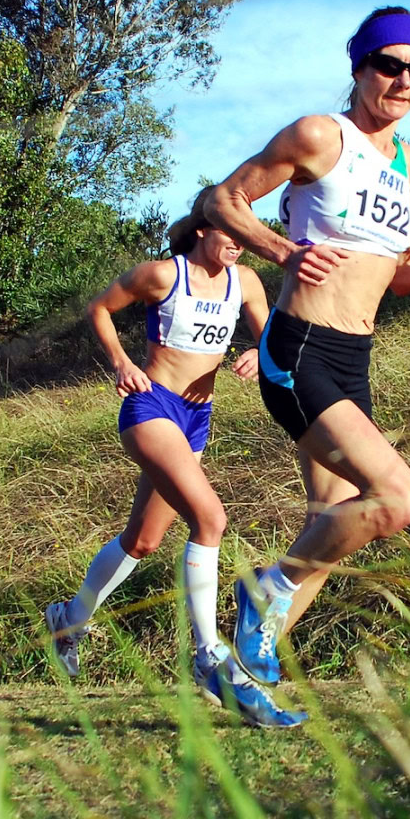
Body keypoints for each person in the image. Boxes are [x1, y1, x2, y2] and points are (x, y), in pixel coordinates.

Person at [203, 6, 410, 684]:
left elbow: (402, 275)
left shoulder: (409, 162)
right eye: (390, 65)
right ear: (360, 67)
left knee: (331, 519)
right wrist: (279, 250)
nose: (403, 80)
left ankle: (240, 675)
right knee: (398, 500)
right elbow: (221, 201)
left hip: (354, 358)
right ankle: (263, 593)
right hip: (298, 349)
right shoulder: (321, 135)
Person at [44, 202, 306, 729]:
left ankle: (67, 621)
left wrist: (259, 351)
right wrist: (121, 362)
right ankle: (209, 654)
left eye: (248, 235)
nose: (241, 241)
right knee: (210, 519)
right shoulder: (164, 274)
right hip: (151, 407)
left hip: (197, 417)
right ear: (205, 228)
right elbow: (100, 308)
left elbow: (273, 335)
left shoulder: (246, 282)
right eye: (233, 232)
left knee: (142, 541)